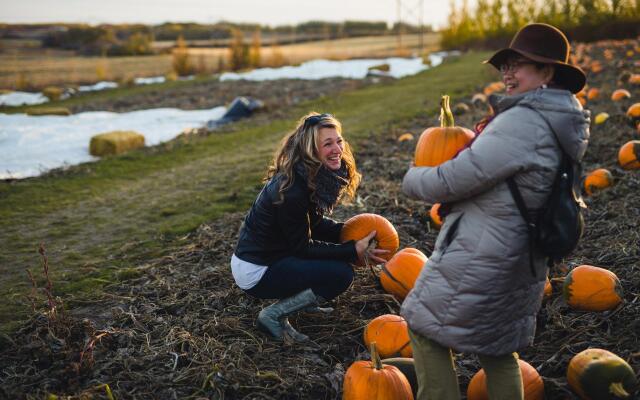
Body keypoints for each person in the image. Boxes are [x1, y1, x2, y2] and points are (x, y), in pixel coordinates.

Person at [401, 23, 590, 399]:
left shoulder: (524, 122)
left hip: (487, 252)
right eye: (506, 64)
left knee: (423, 327)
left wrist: (413, 178)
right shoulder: (560, 119)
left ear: (547, 73)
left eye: (519, 64)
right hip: (521, 254)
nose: (508, 72)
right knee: (499, 349)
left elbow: (456, 178)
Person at [231, 112, 388, 342]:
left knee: (333, 263)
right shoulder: (293, 189)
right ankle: (273, 315)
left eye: (339, 141)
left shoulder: (311, 175)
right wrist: (352, 250)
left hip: (275, 256)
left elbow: (313, 225)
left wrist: (351, 233)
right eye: (327, 144)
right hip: (257, 269)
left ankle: (303, 300)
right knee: (340, 274)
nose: (337, 149)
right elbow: (302, 248)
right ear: (311, 150)